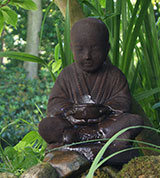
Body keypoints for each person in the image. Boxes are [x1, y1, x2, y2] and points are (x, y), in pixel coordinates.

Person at [38, 18, 143, 167]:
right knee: (46, 125)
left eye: (94, 49)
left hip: (105, 126)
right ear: (72, 49)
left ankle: (96, 136)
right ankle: (74, 137)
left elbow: (123, 102)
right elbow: (54, 103)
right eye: (80, 49)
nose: (87, 55)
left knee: (134, 121)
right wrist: (69, 111)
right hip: (72, 125)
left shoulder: (114, 75)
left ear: (107, 48)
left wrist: (104, 109)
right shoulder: (67, 75)